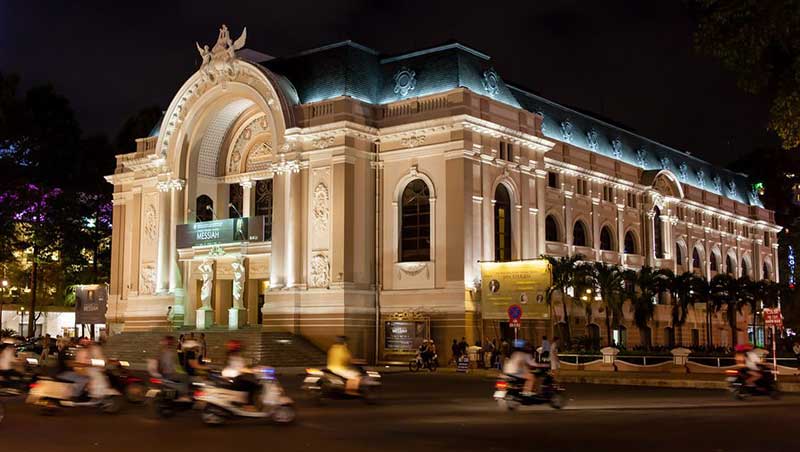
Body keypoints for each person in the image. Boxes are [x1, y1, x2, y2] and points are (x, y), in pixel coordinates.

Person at [222, 340, 260, 409]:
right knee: (252, 386)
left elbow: (242, 367)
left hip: (233, 378)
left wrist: (251, 369)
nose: (241, 348)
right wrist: (253, 371)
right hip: (233, 379)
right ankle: (248, 405)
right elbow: (240, 368)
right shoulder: (234, 357)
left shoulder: (233, 356)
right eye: (239, 347)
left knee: (248, 383)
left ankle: (242, 403)